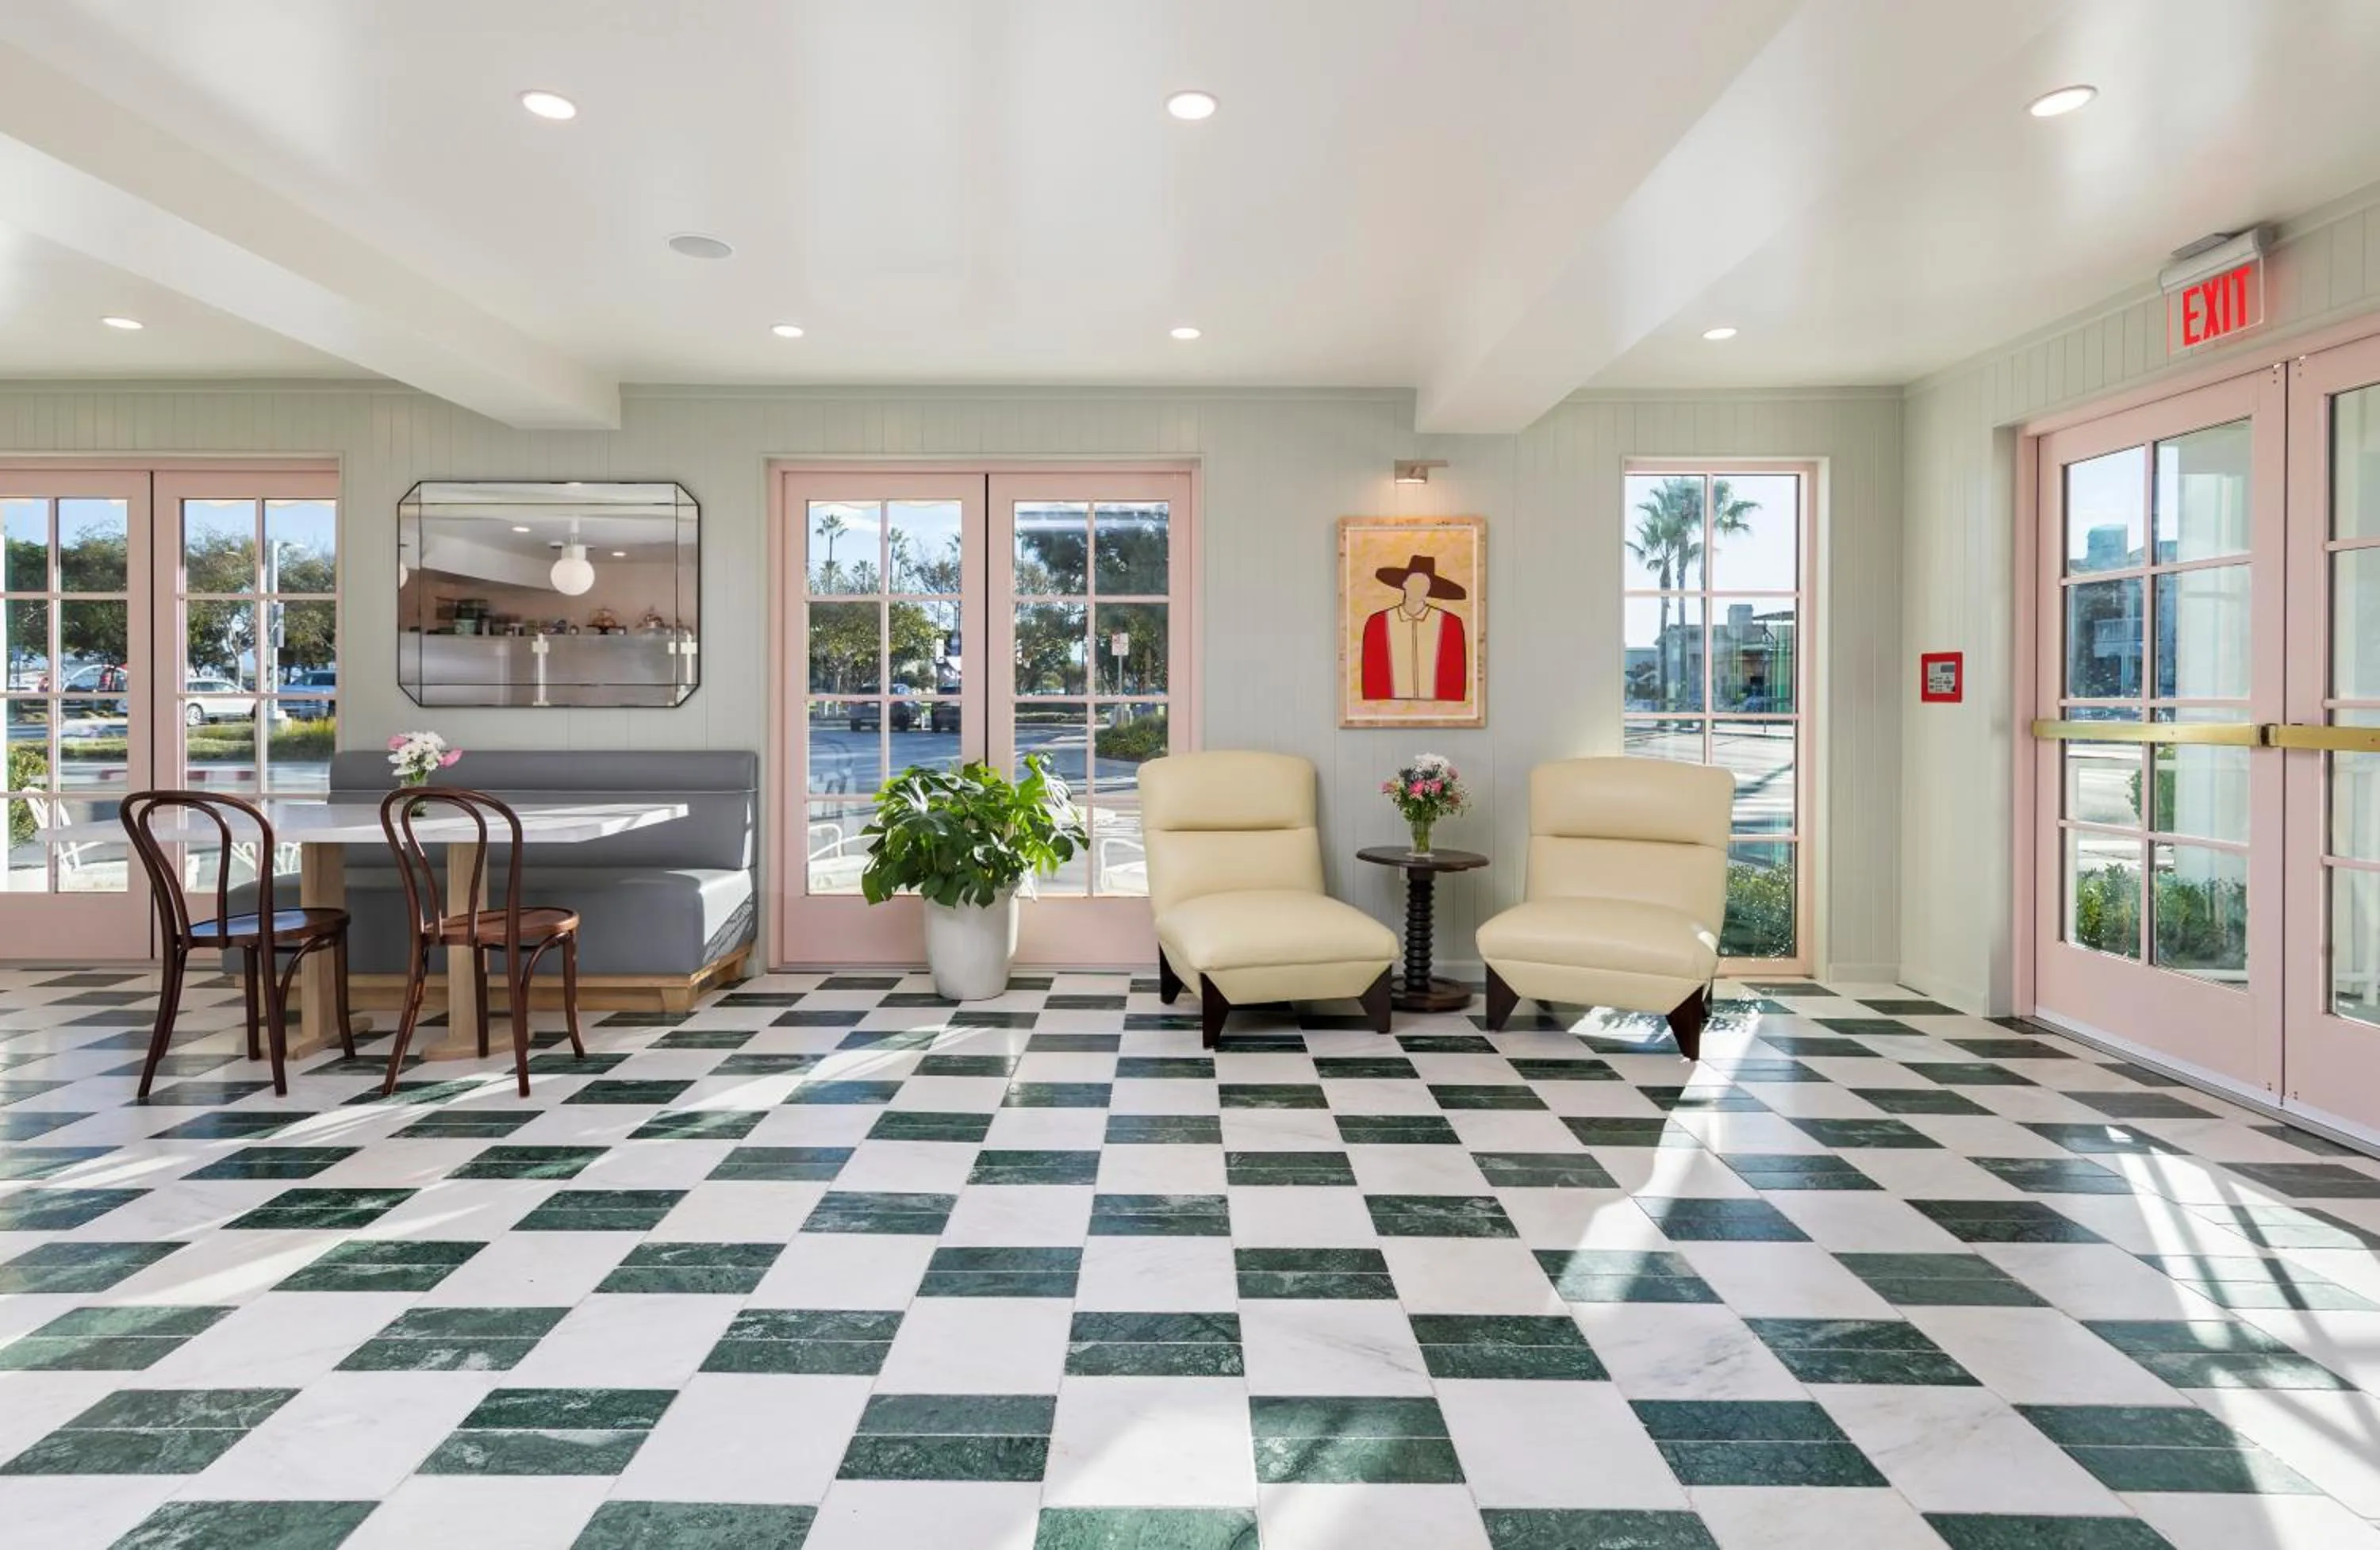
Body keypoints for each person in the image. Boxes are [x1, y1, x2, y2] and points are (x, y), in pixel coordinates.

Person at [1359, 553, 1468, 702]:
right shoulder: (1378, 623)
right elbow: (1371, 674)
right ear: (1404, 584)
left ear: (1430, 589)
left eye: (1425, 584)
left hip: (1437, 709)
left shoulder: (1450, 624)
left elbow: (1456, 674)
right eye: (1415, 582)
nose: (1419, 588)